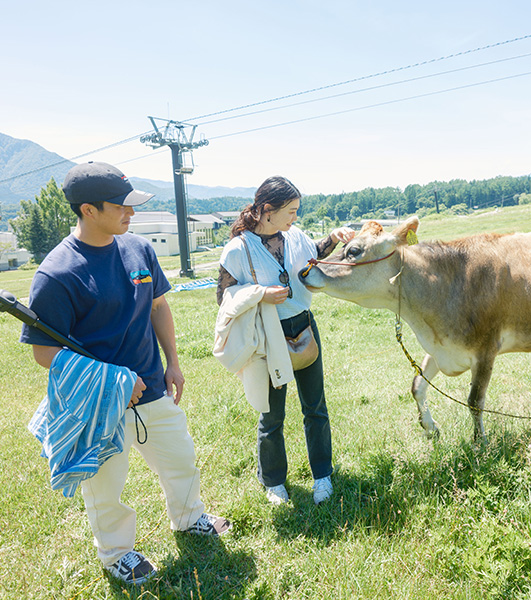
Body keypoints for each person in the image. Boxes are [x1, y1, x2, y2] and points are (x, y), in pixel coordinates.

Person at [20, 161, 230, 585]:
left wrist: (172, 361)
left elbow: (158, 306)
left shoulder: (138, 249)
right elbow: (45, 351)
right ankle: (117, 553)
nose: (130, 214)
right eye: (120, 206)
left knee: (181, 460)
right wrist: (111, 380)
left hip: (152, 385)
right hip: (98, 402)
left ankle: (189, 519)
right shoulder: (57, 273)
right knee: (103, 484)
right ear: (88, 210)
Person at [217, 176, 354, 505]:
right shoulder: (239, 248)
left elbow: (313, 255)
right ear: (267, 210)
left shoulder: (295, 236)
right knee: (272, 414)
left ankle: (323, 475)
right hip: (268, 336)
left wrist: (333, 239)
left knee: (315, 407)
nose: (295, 217)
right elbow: (223, 295)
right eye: (290, 210)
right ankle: (274, 482)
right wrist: (260, 294)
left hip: (304, 326)